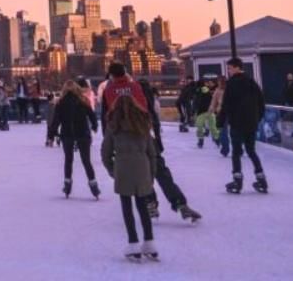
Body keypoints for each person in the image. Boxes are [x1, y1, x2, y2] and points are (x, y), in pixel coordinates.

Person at [101, 96, 158, 262]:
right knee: (143, 206)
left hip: (123, 167)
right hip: (142, 167)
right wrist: (151, 173)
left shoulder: (113, 126)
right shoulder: (143, 125)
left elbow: (105, 153)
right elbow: (152, 152)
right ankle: (149, 241)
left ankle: (133, 243)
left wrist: (113, 170)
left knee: (127, 208)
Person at [137, 77, 202, 223]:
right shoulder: (149, 102)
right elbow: (155, 122)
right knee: (162, 174)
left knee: (144, 175)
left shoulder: (132, 102)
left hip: (137, 143)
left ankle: (150, 204)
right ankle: (179, 203)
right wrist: (158, 143)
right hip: (151, 142)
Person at [218, 58, 267, 194]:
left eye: (229, 68)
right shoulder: (252, 82)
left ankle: (237, 180)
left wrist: (220, 121)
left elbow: (226, 104)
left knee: (236, 152)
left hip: (237, 123)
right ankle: (261, 179)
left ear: (236, 68)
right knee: (251, 151)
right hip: (251, 123)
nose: (228, 71)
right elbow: (261, 102)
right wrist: (257, 118)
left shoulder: (232, 84)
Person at [48, 80, 100, 199]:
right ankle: (94, 185)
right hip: (83, 133)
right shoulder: (84, 101)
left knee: (68, 160)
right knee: (86, 161)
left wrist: (51, 135)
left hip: (67, 134)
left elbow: (56, 120)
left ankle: (67, 185)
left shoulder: (60, 103)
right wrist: (94, 126)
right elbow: (92, 115)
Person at [193, 79, 217, 148]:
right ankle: (216, 139)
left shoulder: (200, 90)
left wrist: (194, 110)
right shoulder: (204, 89)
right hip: (207, 110)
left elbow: (196, 102)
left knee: (200, 126)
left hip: (201, 111)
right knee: (211, 125)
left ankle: (201, 140)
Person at [211, 76, 230, 157]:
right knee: (225, 131)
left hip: (223, 112)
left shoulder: (220, 90)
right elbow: (214, 101)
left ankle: (225, 148)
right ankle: (236, 148)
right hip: (227, 112)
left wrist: (213, 109)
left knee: (222, 130)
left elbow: (214, 101)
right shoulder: (220, 90)